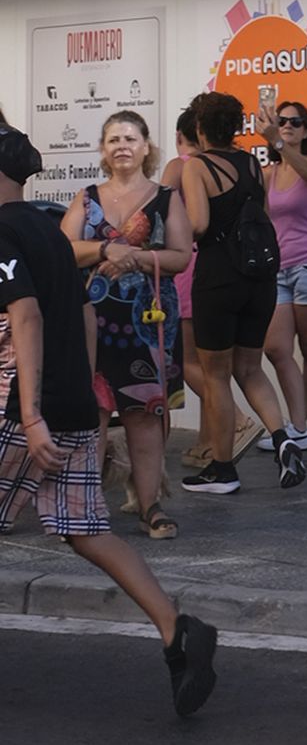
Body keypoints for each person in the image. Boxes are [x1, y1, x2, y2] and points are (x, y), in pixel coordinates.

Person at [0, 120, 218, 714]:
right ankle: (179, 631)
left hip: (22, 410)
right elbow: (85, 318)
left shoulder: (7, 232)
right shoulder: (48, 233)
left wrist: (32, 413)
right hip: (66, 403)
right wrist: (76, 392)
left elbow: (26, 318)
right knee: (85, 528)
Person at [62, 113, 190, 541]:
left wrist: (135, 257)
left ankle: (150, 505)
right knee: (92, 415)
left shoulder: (165, 197)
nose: (122, 146)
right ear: (102, 149)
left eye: (131, 139)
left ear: (146, 147)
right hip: (91, 324)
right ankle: (87, 507)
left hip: (147, 323)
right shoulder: (87, 196)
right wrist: (104, 248)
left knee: (143, 416)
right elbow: (63, 250)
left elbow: (180, 256)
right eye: (114, 139)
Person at [179, 92, 287, 495]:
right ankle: (282, 438)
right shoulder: (252, 165)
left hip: (219, 279)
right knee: (252, 369)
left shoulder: (197, 166)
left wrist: (168, 235)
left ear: (201, 129)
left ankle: (222, 469)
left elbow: (200, 224)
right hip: (260, 280)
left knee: (217, 376)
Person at [259, 85, 307, 454]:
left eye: (295, 122)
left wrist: (277, 142)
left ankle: (297, 428)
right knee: (275, 348)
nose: (287, 126)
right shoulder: (269, 173)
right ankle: (295, 427)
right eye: (281, 121)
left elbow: (305, 169)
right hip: (277, 270)